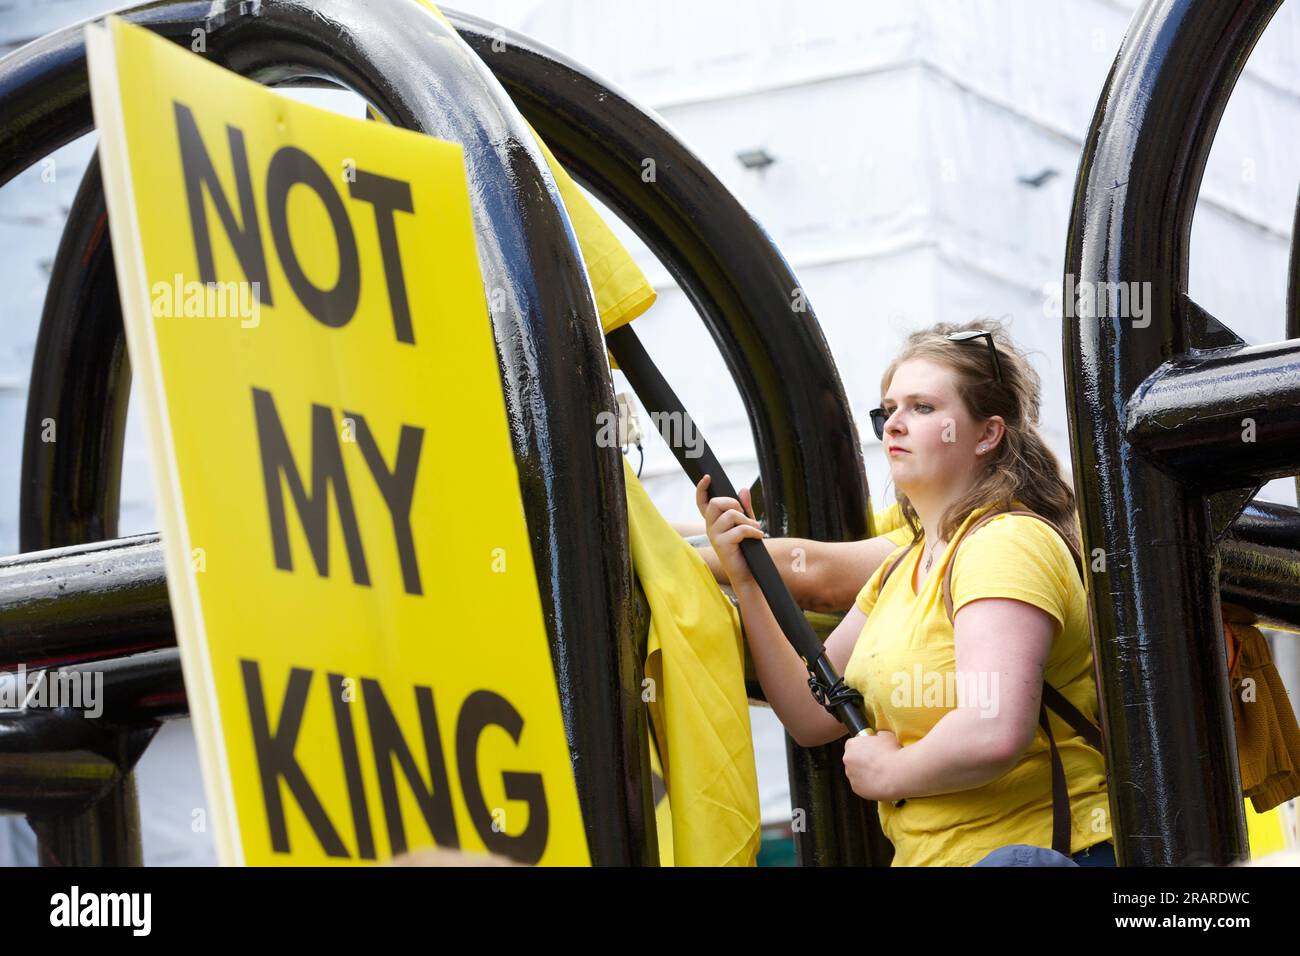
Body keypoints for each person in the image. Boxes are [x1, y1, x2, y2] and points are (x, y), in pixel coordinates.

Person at [696, 320, 1113, 866]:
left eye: (921, 407)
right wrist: (746, 579)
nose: (894, 423)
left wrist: (889, 772)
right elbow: (807, 711)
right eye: (888, 409)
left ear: (987, 434)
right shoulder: (901, 570)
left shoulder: (1006, 542)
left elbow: (992, 728)